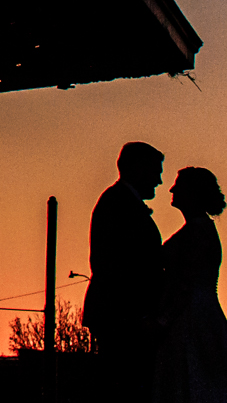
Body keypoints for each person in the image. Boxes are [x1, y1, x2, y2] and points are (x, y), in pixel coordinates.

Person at [151, 167, 227, 403]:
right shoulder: (198, 230)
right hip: (198, 312)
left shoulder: (197, 232)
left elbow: (186, 283)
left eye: (178, 185)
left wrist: (163, 320)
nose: (171, 189)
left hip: (192, 315)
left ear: (193, 192)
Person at [85, 142, 165, 402]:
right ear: (137, 169)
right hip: (123, 318)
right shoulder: (118, 204)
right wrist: (140, 315)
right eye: (155, 172)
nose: (160, 181)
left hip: (122, 316)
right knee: (127, 388)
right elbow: (116, 266)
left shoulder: (119, 202)